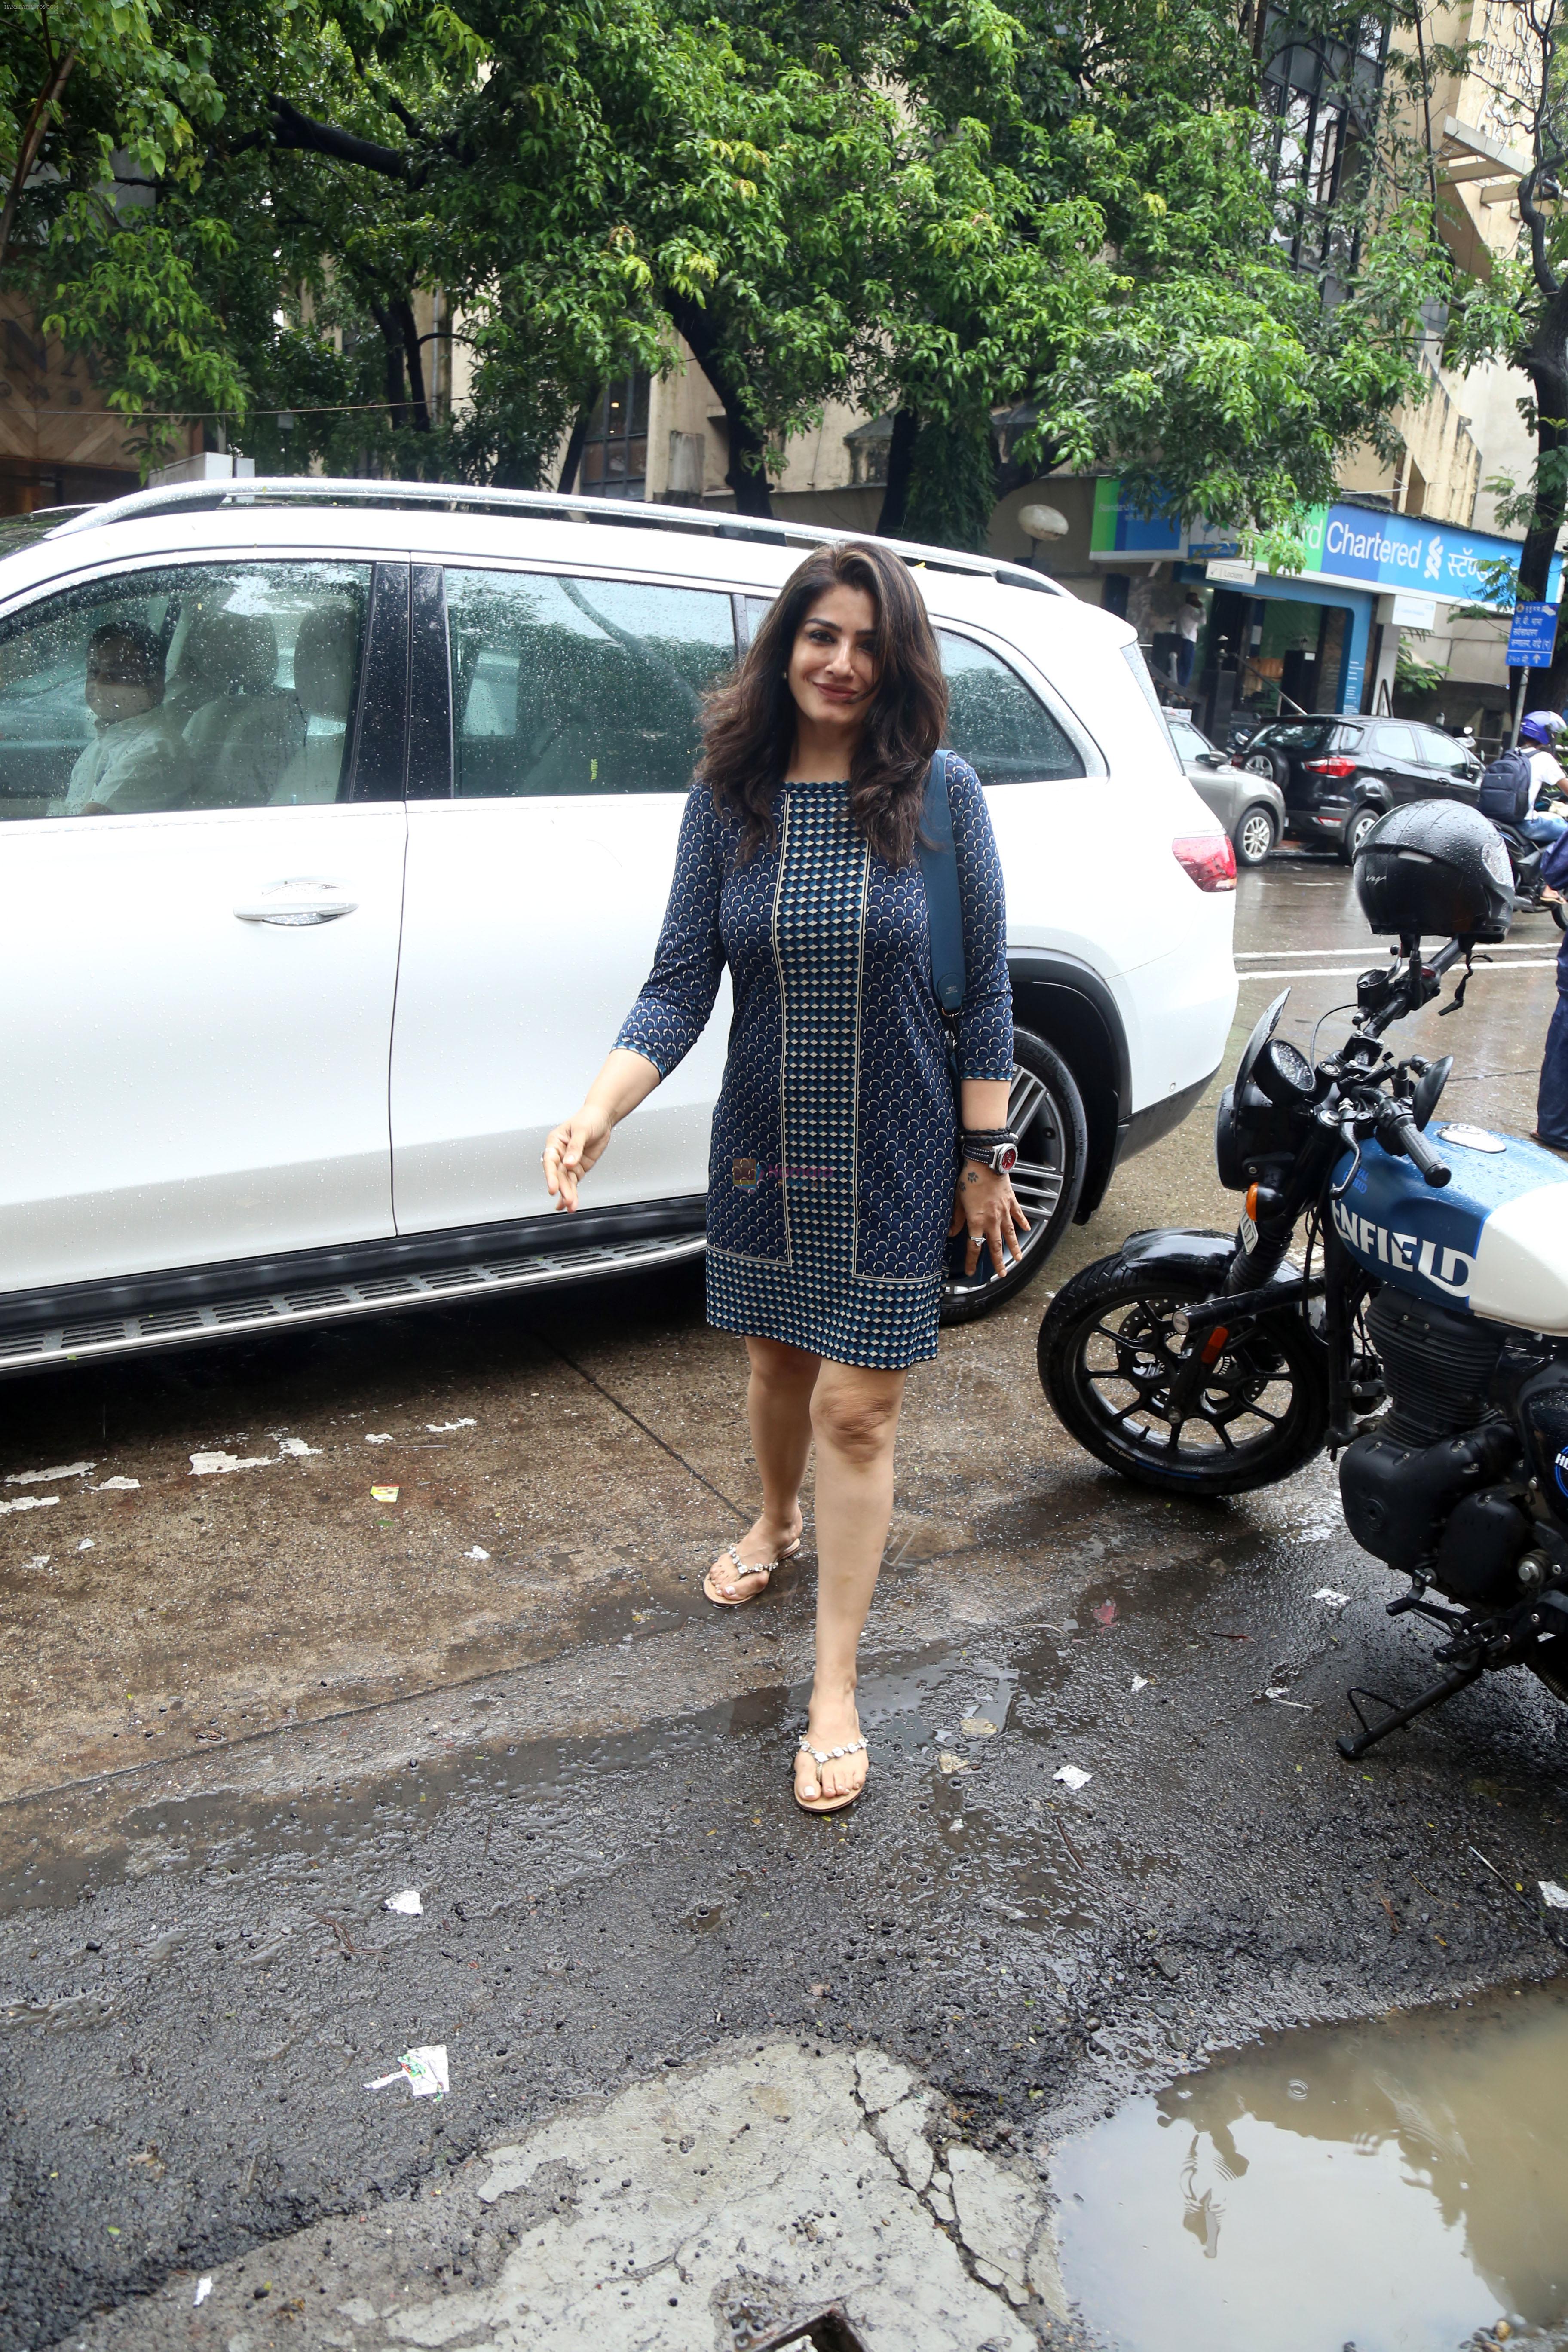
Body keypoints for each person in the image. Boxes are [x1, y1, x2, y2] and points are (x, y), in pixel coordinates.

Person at [542, 541, 1026, 1814]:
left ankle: (834, 1686)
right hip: (764, 1137)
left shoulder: (943, 798)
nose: (843, 662)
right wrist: (597, 1108)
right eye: (822, 635)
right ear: (784, 647)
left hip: (897, 1148)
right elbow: (676, 983)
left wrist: (987, 1160)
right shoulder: (729, 800)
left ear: (897, 659)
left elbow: (984, 996)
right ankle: (775, 1522)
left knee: (857, 1415)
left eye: (869, 641)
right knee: (772, 1364)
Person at [51, 621, 188, 816]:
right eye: (94, 671)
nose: (99, 682)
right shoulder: (105, 742)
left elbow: (83, 830)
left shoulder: (153, 751)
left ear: (154, 684)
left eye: (116, 674)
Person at [1175, 593, 1203, 689]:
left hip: (1179, 639)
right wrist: (1202, 608)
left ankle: (1177, 685)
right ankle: (1182, 688)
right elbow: (1203, 621)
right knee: (1188, 666)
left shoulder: (1181, 610)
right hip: (1189, 640)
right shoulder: (1191, 611)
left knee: (1180, 665)